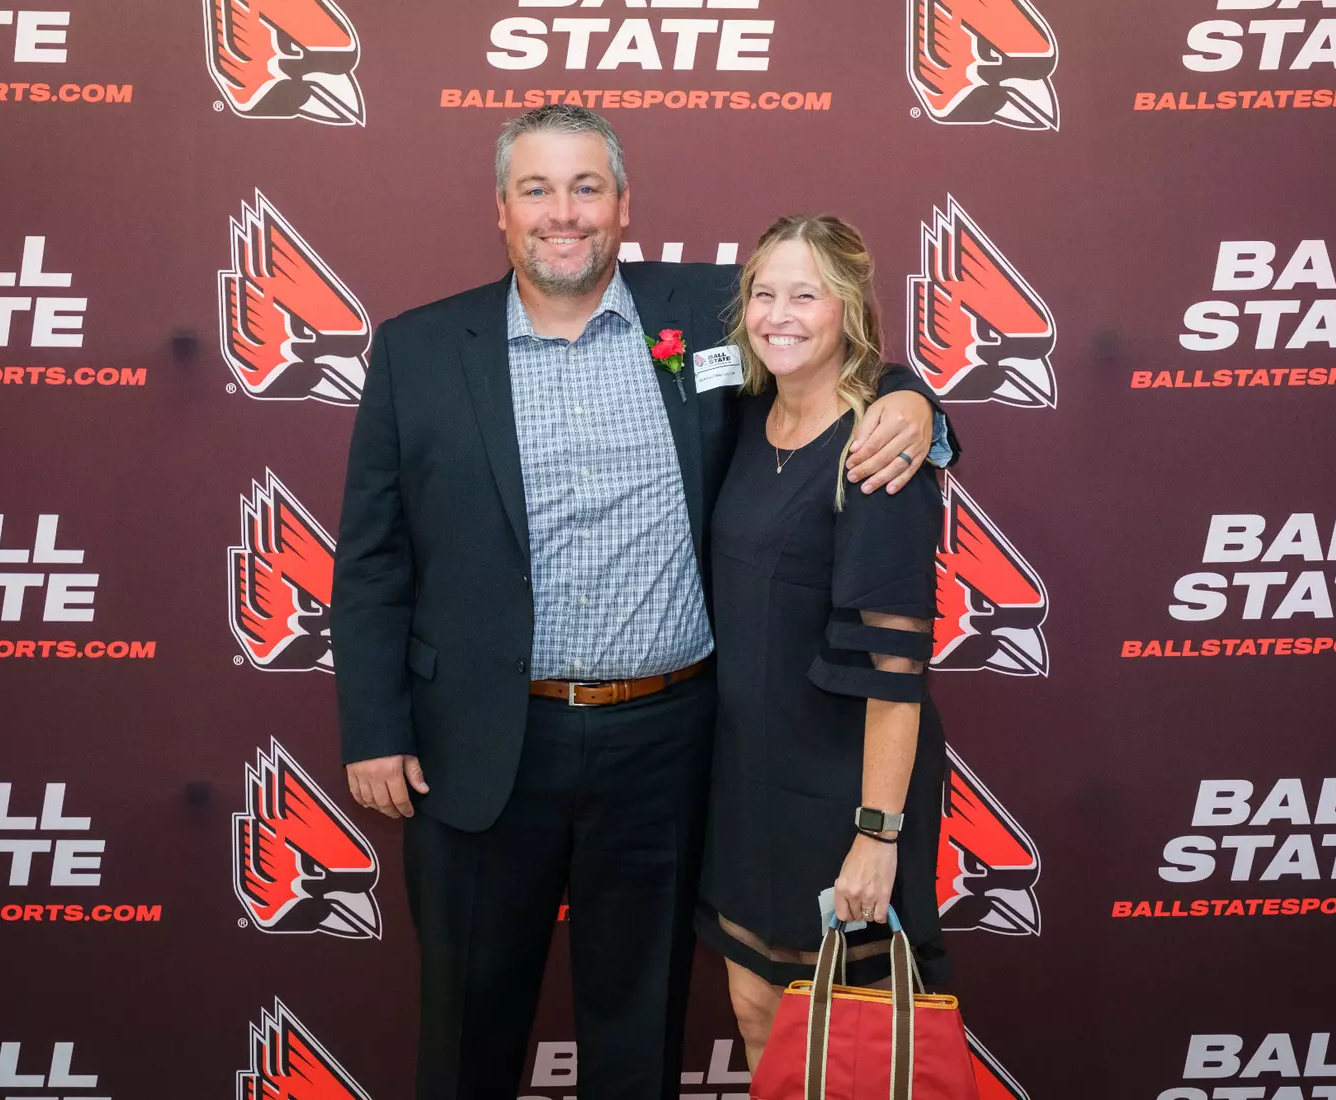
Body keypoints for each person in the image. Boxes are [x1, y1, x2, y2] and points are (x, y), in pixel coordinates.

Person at [331, 105, 948, 1099]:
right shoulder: (418, 350)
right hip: (480, 746)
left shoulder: (707, 312)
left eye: (586, 188)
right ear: (500, 209)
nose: (562, 213)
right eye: (537, 189)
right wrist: (373, 725)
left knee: (639, 1035)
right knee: (463, 1034)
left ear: (624, 205)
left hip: (665, 746)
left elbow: (825, 336)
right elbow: (369, 560)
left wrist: (916, 402)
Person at [695, 215, 951, 1071]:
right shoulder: (743, 416)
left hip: (841, 791)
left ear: (849, 307)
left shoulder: (878, 451)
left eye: (806, 294)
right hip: (745, 784)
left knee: (847, 1047)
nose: (780, 314)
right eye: (764, 292)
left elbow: (895, 676)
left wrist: (877, 837)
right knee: (758, 1013)